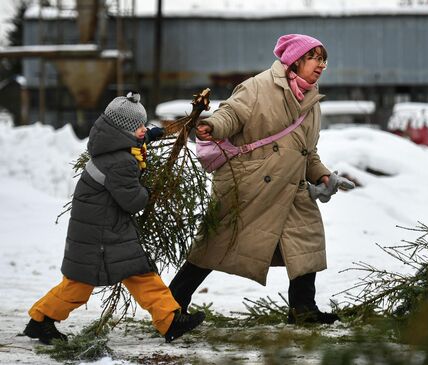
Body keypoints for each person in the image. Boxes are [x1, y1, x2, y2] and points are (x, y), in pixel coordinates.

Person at [169, 34, 354, 324]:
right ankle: (172, 305)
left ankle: (303, 309)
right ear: (294, 61)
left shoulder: (312, 98)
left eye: (323, 60)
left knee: (306, 239)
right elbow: (230, 114)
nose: (321, 65)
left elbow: (306, 151)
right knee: (214, 245)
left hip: (291, 186)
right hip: (250, 183)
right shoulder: (258, 86)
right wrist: (212, 126)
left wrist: (324, 175)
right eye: (314, 58)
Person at [24, 92, 205, 345]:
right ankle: (41, 320)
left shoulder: (110, 146)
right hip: (101, 233)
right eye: (139, 127)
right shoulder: (121, 162)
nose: (143, 130)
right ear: (123, 130)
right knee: (80, 286)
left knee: (140, 274)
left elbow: (130, 148)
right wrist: (150, 192)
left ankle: (170, 321)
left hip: (103, 227)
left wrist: (149, 136)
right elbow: (132, 201)